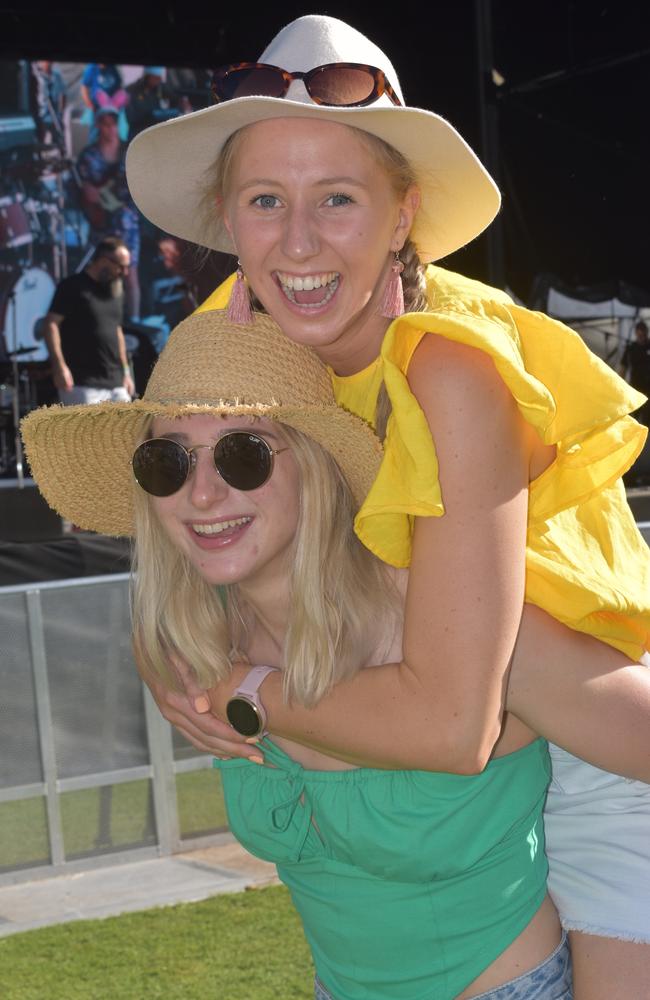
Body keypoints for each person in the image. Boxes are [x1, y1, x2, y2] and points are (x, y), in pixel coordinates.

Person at [125, 15, 650, 996]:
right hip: (476, 715)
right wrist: (170, 666)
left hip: (597, 743)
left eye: (337, 199)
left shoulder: (451, 373)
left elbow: (455, 716)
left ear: (402, 216)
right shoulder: (237, 343)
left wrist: (244, 689)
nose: (296, 240)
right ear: (226, 219)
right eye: (264, 201)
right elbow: (177, 535)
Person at [21, 308, 572, 1000]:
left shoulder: (453, 625)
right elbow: (160, 635)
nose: (201, 492)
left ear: (316, 466)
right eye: (166, 460)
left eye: (243, 453)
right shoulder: (200, 640)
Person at [42, 235, 134, 404]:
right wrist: (59, 367)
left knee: (127, 430)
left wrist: (126, 372)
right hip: (82, 383)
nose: (125, 272)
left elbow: (117, 331)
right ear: (104, 261)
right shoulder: (72, 286)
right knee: (87, 431)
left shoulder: (116, 291)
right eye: (121, 267)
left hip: (116, 382)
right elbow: (51, 324)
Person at [78, 108, 141, 319]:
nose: (110, 129)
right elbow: (82, 193)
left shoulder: (129, 151)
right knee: (98, 274)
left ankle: (134, 324)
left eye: (113, 124)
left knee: (130, 275)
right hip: (100, 223)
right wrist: (90, 195)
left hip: (126, 222)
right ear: (98, 126)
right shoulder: (89, 156)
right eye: (105, 124)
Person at [621, 320, 650, 425]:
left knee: (647, 419)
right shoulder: (631, 348)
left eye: (643, 333)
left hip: (648, 390)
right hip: (635, 388)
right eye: (639, 333)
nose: (641, 336)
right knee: (634, 419)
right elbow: (623, 367)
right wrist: (621, 387)